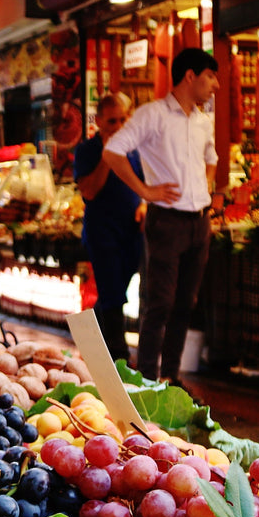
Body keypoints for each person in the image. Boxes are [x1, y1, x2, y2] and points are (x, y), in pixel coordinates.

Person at [102, 48, 220, 385]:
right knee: (160, 303)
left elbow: (211, 157)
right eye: (210, 76)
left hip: (200, 222)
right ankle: (148, 380)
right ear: (190, 76)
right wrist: (146, 191)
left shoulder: (203, 120)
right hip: (166, 221)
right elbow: (113, 151)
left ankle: (170, 377)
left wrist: (204, 186)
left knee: (186, 303)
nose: (215, 85)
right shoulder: (152, 115)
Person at [75, 93, 144, 365]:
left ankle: (93, 341)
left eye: (123, 119)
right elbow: (89, 191)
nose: (118, 126)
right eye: (111, 121)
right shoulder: (87, 151)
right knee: (113, 292)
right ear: (100, 122)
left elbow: (147, 186)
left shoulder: (139, 149)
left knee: (113, 291)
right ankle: (120, 356)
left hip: (132, 231)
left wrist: (145, 205)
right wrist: (107, 155)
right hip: (102, 232)